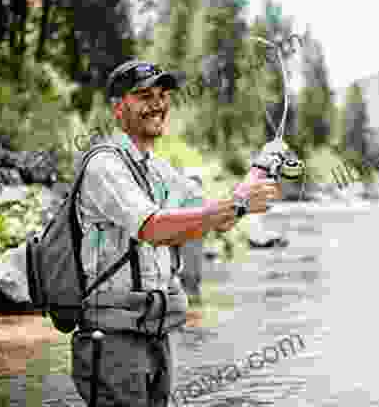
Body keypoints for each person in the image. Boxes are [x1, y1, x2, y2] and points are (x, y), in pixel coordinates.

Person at [70, 59, 280, 407]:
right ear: (117, 107)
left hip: (155, 335)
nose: (158, 104)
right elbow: (152, 227)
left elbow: (216, 215)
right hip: (110, 341)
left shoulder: (158, 171)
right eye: (144, 96)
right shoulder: (104, 166)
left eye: (163, 95)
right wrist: (238, 205)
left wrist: (259, 169)